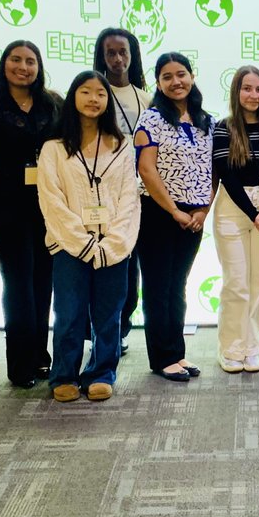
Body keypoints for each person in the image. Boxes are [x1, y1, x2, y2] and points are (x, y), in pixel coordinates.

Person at [0, 40, 62, 389]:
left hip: (49, 208)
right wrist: (1, 181)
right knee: (19, 287)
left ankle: (40, 358)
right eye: (16, 60)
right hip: (8, 210)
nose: (24, 67)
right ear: (4, 65)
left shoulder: (52, 103)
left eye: (31, 61)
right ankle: (19, 365)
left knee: (43, 285)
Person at [37, 71, 140, 403]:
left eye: (101, 94)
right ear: (73, 97)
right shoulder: (53, 148)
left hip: (113, 245)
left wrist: (113, 242)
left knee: (109, 315)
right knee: (69, 313)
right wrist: (81, 241)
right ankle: (64, 374)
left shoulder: (121, 145)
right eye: (86, 92)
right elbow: (51, 200)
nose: (94, 99)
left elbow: (129, 197)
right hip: (69, 246)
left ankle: (101, 372)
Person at [134, 53, 213, 382]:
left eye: (181, 74)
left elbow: (212, 169)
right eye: (167, 76)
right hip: (157, 212)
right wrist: (175, 210)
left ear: (192, 76)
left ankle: (177, 354)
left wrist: (203, 209)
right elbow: (147, 170)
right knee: (157, 286)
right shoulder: (150, 120)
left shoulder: (205, 120)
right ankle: (161, 358)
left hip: (194, 215)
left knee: (177, 286)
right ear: (158, 83)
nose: (176, 81)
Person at [212, 66, 259, 373]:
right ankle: (230, 348)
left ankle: (252, 347)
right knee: (237, 284)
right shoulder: (223, 127)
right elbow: (226, 177)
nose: (253, 95)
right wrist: (252, 212)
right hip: (233, 209)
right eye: (246, 88)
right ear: (236, 92)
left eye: (258, 89)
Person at [94, 27, 151, 356]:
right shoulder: (94, 94)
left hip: (141, 195)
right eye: (110, 52)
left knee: (132, 275)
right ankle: (103, 333)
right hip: (103, 196)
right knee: (108, 268)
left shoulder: (146, 98)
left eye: (123, 52)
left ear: (132, 55)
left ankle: (121, 327)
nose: (117, 59)